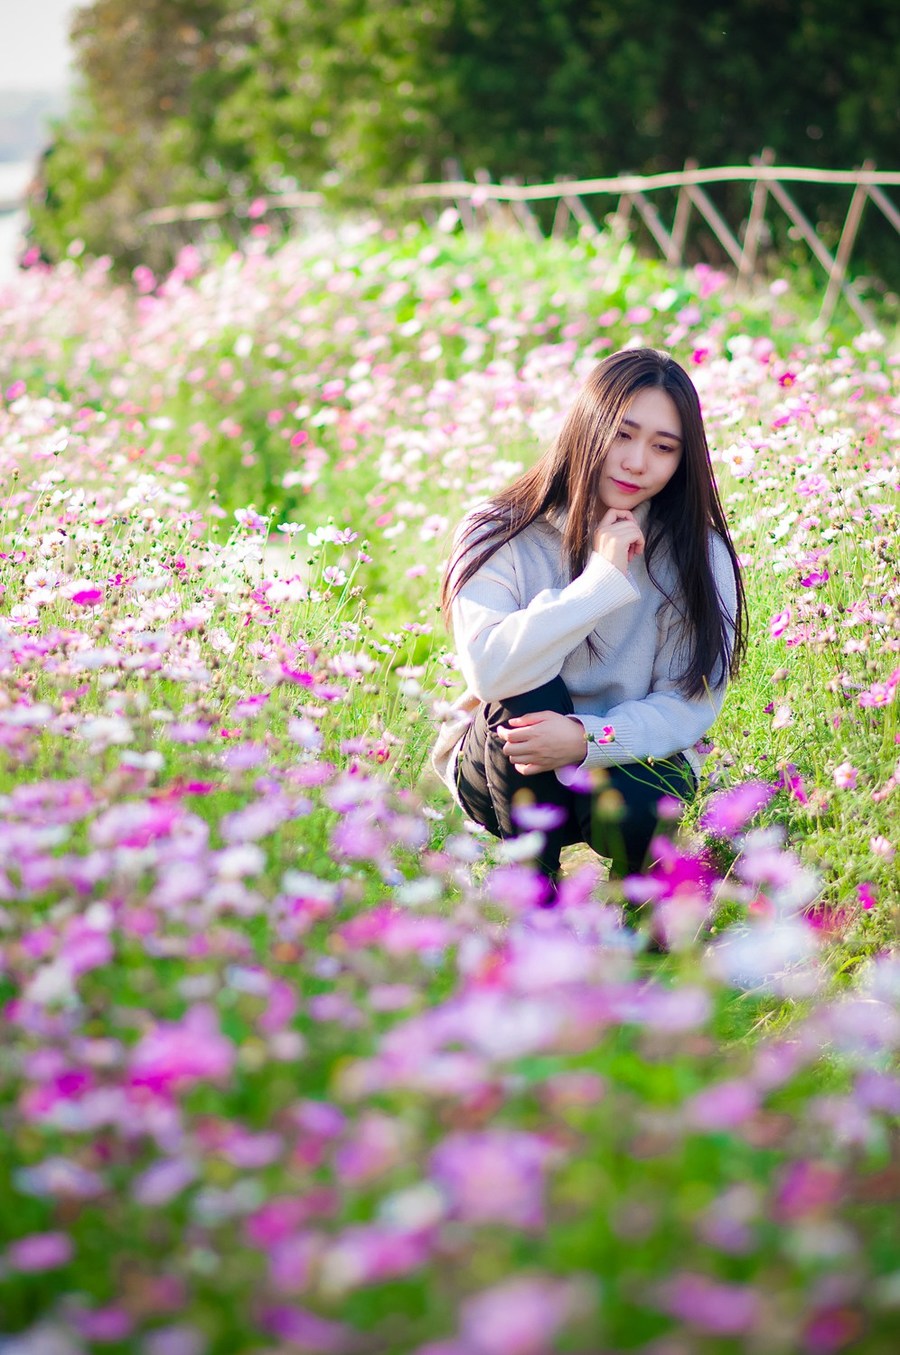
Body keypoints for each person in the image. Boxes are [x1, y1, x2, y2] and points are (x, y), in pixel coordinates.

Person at [431, 346, 746, 898]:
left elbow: (688, 703)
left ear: (682, 461)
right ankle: (534, 889)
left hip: (623, 758)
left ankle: (643, 900)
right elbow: (490, 672)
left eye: (663, 447)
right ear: (585, 426)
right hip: (506, 763)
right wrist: (598, 583)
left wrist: (584, 740)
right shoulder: (496, 529)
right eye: (622, 434)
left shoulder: (698, 554)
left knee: (650, 797)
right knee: (524, 687)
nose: (636, 461)